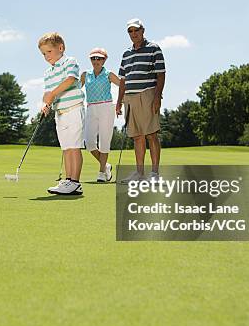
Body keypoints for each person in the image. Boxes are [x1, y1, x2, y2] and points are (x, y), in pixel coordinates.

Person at [116, 18, 166, 182]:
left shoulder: (154, 49)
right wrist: (119, 102)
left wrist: (157, 97)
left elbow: (161, 74)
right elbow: (123, 80)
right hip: (129, 97)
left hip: (147, 94)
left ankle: (155, 173)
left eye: (136, 30)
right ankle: (139, 174)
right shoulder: (126, 54)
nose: (133, 34)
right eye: (130, 31)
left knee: (151, 134)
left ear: (143, 30)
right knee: (137, 136)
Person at [39, 32, 84, 195]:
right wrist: (46, 104)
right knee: (66, 148)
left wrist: (52, 94)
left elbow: (70, 79)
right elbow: (48, 95)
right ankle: (68, 180)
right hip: (60, 112)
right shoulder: (48, 73)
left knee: (74, 147)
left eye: (49, 52)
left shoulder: (69, 62)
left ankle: (75, 182)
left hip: (74, 107)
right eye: (43, 53)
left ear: (60, 48)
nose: (46, 56)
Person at [80, 47, 120, 182]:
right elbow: (75, 89)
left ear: (104, 60)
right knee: (89, 142)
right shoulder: (85, 74)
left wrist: (123, 101)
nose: (96, 60)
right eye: (93, 58)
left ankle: (102, 172)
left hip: (106, 107)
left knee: (104, 140)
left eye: (99, 58)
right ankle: (106, 165)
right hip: (90, 108)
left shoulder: (109, 74)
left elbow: (122, 85)